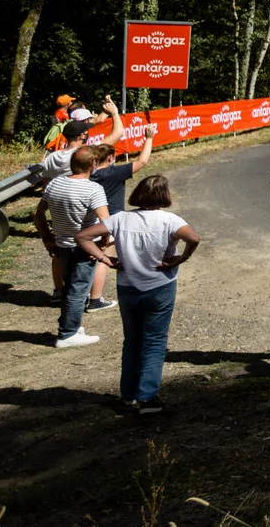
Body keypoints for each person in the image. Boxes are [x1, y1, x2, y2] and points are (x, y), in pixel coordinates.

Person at [74, 174, 199, 414]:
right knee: (154, 341)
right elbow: (194, 238)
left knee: (132, 341)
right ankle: (148, 397)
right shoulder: (170, 220)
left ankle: (128, 394)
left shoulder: (120, 219)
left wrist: (105, 259)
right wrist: (183, 257)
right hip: (160, 286)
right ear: (164, 196)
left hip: (128, 286)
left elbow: (82, 236)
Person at [35, 145, 112, 348]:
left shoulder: (54, 184)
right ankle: (67, 334)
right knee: (79, 291)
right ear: (93, 164)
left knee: (70, 288)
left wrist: (47, 238)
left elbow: (38, 214)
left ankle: (70, 325)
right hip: (85, 247)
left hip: (62, 245)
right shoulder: (93, 189)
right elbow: (106, 223)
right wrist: (102, 246)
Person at [85, 124, 159, 313]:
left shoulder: (88, 174)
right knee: (104, 257)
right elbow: (142, 162)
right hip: (110, 220)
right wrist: (148, 139)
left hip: (89, 221)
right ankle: (95, 299)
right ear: (110, 158)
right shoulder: (114, 173)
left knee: (89, 257)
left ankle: (83, 292)